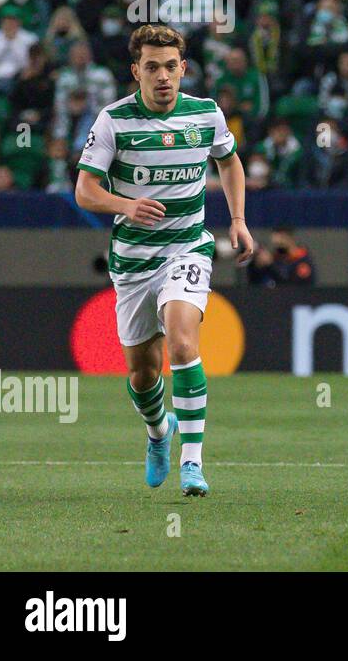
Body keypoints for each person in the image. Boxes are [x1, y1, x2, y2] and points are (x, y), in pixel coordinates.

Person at [73, 25, 255, 498]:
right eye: (151, 67)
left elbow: (229, 161)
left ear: (183, 69)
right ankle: (159, 433)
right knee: (142, 374)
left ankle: (192, 463)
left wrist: (237, 219)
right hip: (133, 262)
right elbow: (85, 190)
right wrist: (126, 205)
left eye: (170, 66)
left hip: (187, 247)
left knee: (181, 343)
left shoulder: (205, 114)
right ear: (136, 71)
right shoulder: (113, 120)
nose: (162, 76)